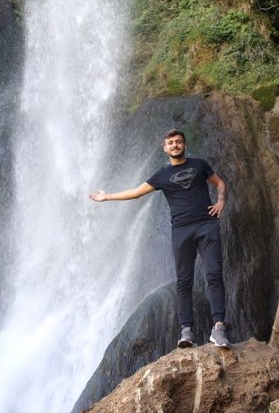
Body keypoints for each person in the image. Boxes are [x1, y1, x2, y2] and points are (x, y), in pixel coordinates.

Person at [88, 128, 230, 349]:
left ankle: (219, 328)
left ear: (184, 145)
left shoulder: (199, 165)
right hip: (181, 231)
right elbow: (136, 193)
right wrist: (107, 197)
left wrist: (220, 202)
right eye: (171, 143)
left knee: (214, 274)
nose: (175, 145)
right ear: (165, 148)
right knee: (184, 281)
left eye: (178, 142)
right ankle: (186, 333)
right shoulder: (161, 176)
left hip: (206, 226)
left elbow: (219, 183)